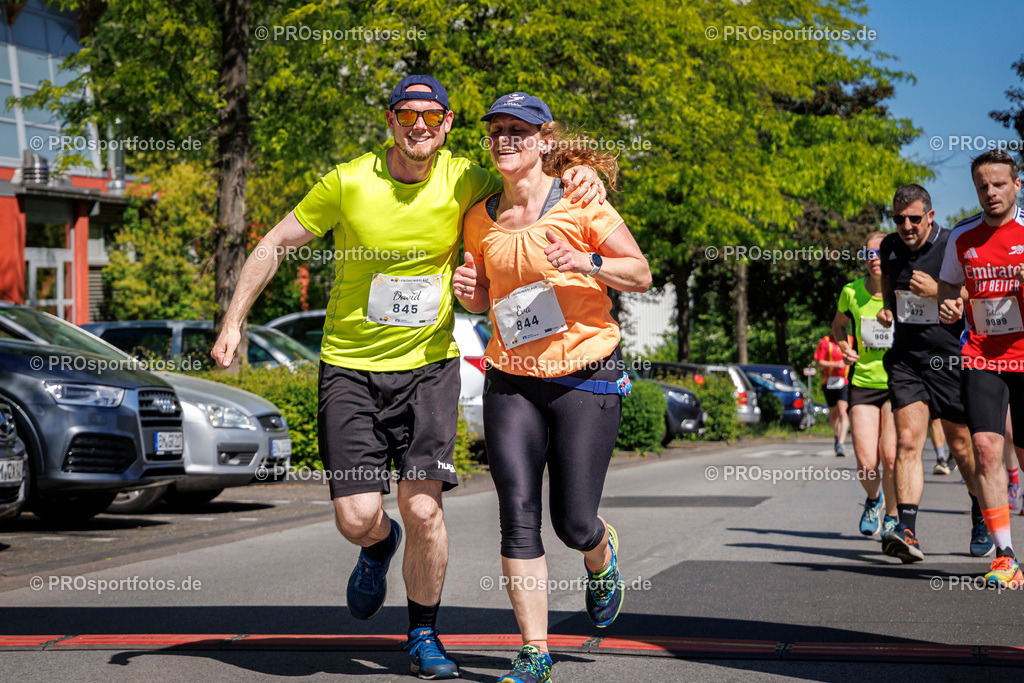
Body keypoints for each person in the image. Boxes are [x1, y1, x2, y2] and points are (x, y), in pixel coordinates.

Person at [210, 76, 606, 679]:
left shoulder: (465, 177)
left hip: (429, 367)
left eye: (431, 116)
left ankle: (423, 633)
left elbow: (530, 167)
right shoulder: (347, 182)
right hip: (350, 366)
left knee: (423, 509)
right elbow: (272, 244)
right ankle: (376, 545)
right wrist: (233, 323)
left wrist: (585, 173)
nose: (419, 125)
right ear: (391, 121)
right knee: (355, 515)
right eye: (407, 114)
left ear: (446, 124)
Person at [454, 92, 651, 683]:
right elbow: (491, 298)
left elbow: (639, 274)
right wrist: (474, 296)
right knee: (516, 513)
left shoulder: (581, 200)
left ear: (544, 139)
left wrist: (586, 263)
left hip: (584, 376)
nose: (506, 140)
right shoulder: (479, 216)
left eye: (519, 131)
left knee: (572, 522)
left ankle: (600, 552)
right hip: (511, 380)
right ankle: (535, 650)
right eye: (497, 131)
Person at [875, 184, 990, 563]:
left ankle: (980, 511)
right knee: (908, 442)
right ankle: (906, 530)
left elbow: (977, 292)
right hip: (907, 359)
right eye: (899, 219)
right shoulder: (888, 247)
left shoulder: (951, 244)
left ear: (930, 216)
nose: (906, 226)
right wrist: (887, 308)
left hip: (948, 359)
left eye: (913, 218)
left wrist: (939, 292)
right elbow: (887, 286)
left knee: (960, 447)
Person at [938, 150, 1024, 587]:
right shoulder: (962, 236)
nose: (990, 193)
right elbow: (949, 285)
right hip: (981, 354)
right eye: (982, 187)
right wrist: (950, 301)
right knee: (987, 450)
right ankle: (1005, 556)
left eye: (998, 184)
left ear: (1016, 185)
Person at [830, 233, 898, 538]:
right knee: (866, 460)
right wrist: (844, 347)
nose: (874, 259)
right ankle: (874, 500)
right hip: (863, 382)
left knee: (891, 456)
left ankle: (895, 518)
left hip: (899, 381)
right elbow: (837, 326)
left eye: (880, 253)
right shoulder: (851, 292)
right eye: (868, 254)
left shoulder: (902, 289)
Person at [814, 333, 851, 456]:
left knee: (843, 411)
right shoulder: (825, 342)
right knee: (833, 413)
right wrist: (835, 364)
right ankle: (837, 434)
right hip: (828, 381)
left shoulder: (850, 340)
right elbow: (819, 363)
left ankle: (841, 443)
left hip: (844, 381)